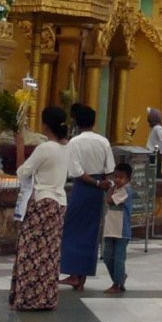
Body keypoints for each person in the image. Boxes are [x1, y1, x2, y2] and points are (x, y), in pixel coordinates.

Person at [8, 106, 69, 311]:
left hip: (43, 201)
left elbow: (22, 172)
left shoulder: (45, 148)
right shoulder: (66, 148)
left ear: (45, 124)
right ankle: (46, 297)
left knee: (30, 250)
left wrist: (19, 145)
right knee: (49, 252)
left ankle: (28, 297)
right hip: (60, 203)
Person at [59, 103, 111, 291]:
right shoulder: (103, 141)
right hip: (98, 190)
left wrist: (96, 183)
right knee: (90, 232)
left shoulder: (74, 142)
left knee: (72, 230)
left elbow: (76, 171)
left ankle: (74, 274)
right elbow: (109, 169)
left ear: (76, 122)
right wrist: (102, 185)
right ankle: (82, 275)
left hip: (83, 188)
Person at [102, 154, 134, 293]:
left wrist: (109, 189)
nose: (117, 180)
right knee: (108, 257)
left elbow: (109, 200)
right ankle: (120, 278)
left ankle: (117, 283)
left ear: (128, 179)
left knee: (119, 258)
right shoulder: (115, 188)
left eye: (121, 177)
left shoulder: (126, 190)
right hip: (110, 228)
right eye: (116, 177)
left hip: (122, 230)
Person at [146, 107, 162, 175]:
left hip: (154, 153)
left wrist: (161, 151)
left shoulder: (157, 128)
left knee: (155, 172)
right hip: (152, 153)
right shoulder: (156, 128)